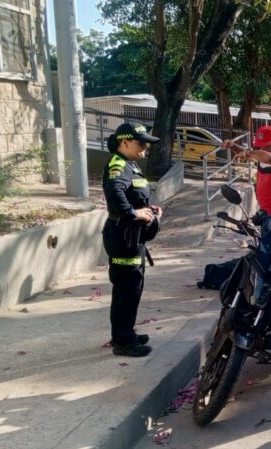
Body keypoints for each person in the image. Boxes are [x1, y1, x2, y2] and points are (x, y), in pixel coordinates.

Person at [102, 123, 163, 358]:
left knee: (133, 288)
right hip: (123, 237)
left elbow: (132, 195)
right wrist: (133, 213)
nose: (145, 147)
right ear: (124, 142)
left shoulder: (130, 165)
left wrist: (147, 209)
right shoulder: (118, 165)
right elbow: (115, 193)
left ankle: (126, 331)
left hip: (132, 238)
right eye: (141, 143)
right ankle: (122, 341)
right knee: (126, 289)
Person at [222, 126, 271, 237]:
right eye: (260, 146)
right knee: (265, 249)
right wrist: (233, 146)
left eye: (266, 146)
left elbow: (268, 158)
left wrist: (247, 152)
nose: (262, 149)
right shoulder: (262, 155)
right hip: (265, 211)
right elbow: (249, 154)